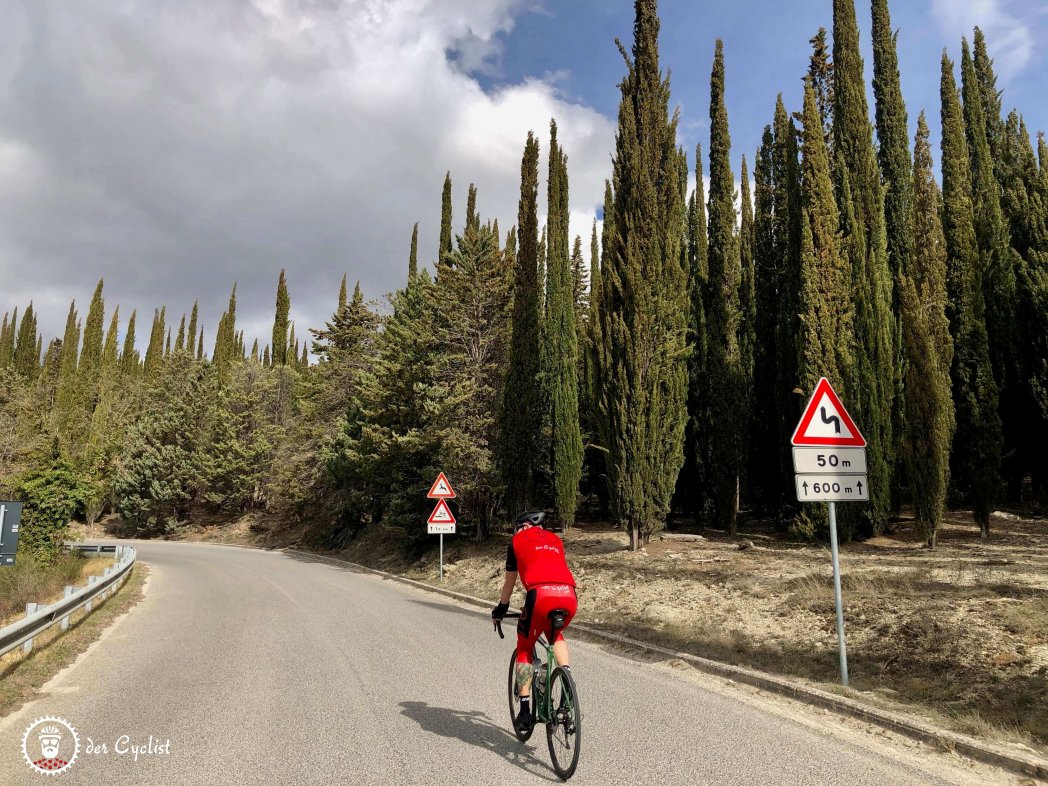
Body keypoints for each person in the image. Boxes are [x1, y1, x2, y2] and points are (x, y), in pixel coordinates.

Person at [491, 511, 577, 732]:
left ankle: (526, 711)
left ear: (521, 526)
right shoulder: (555, 539)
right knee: (555, 634)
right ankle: (567, 678)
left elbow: (509, 583)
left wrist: (501, 609)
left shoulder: (516, 541)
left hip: (539, 595)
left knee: (524, 648)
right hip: (568, 594)